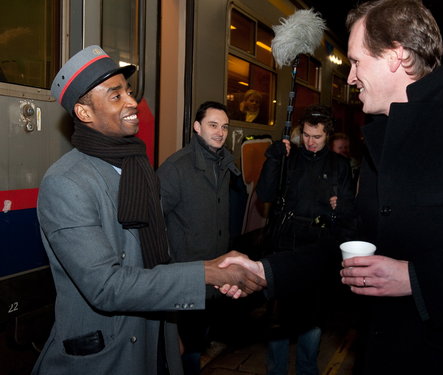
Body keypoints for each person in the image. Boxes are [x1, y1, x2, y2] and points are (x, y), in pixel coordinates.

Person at [221, 0, 443, 374]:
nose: (350, 78)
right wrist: (264, 272)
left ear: (395, 55)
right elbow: (350, 241)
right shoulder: (384, 137)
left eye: (357, 62)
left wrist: (416, 278)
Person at [32, 45, 265, 375]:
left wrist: (172, 332)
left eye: (128, 90)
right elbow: (107, 286)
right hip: (105, 357)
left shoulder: (135, 167)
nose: (131, 101)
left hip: (154, 340)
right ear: (85, 113)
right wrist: (206, 274)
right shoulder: (66, 183)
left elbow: (152, 260)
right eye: (116, 96)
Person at [255, 105, 355, 375]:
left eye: (317, 137)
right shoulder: (290, 158)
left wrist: (343, 207)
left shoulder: (340, 166)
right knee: (279, 317)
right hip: (285, 246)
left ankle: (307, 369)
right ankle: (276, 370)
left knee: (312, 317)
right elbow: (264, 194)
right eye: (307, 136)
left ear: (328, 136)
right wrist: (273, 160)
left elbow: (349, 215)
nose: (310, 142)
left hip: (318, 249)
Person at [156, 101, 240, 374]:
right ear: (196, 127)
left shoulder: (223, 164)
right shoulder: (176, 168)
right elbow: (154, 222)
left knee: (197, 342)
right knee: (186, 350)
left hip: (212, 274)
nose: (220, 132)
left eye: (224, 127)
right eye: (213, 125)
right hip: (186, 274)